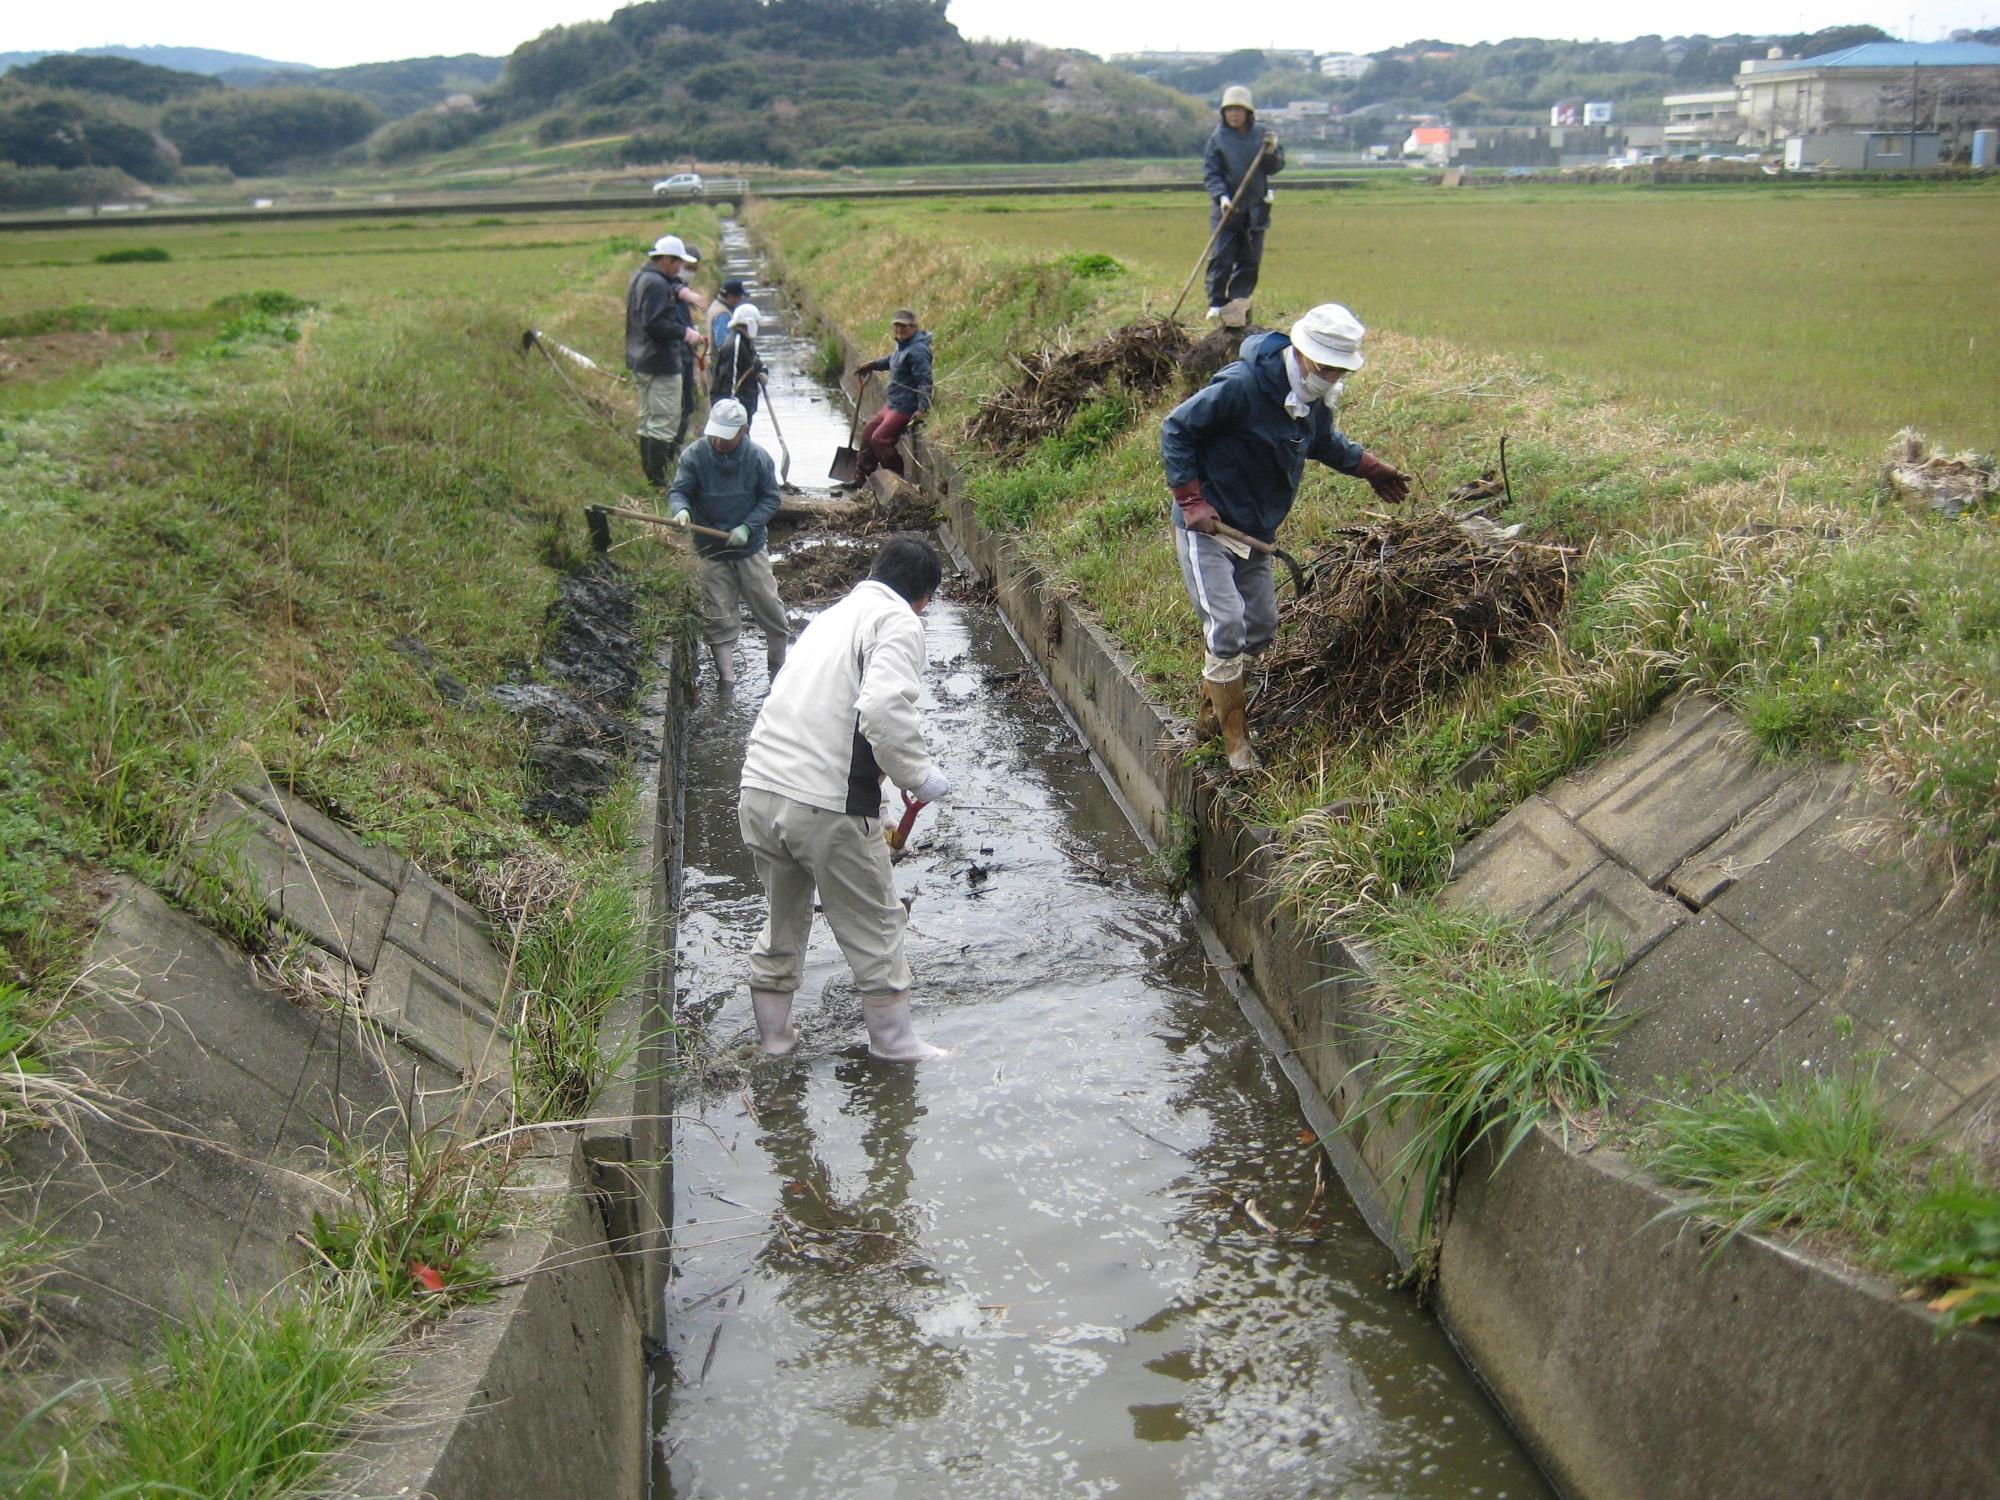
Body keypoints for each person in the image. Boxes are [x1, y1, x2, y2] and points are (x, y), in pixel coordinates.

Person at [1160, 303, 1411, 771]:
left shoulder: (1310, 401)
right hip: (1209, 529)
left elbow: (1325, 444)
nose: (1332, 379)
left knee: (1260, 628)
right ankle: (1236, 742)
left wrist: (1369, 467)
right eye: (1327, 369)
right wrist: (1192, 500)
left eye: (1339, 371)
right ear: (1302, 354)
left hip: (1255, 534)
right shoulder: (1243, 386)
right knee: (1227, 623)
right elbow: (1177, 429)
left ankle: (1209, 710)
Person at [737, 536, 951, 1063]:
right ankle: (895, 1046)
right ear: (923, 599)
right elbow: (881, 710)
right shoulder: (898, 620)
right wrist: (919, 775)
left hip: (761, 788)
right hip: (825, 804)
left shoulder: (831, 617)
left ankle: (775, 1044)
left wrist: (880, 794)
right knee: (878, 921)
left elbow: (825, 712)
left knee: (782, 919)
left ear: (876, 572)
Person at [668, 397, 790, 689]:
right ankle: (727, 679)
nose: (718, 443)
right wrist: (681, 509)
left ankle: (780, 671)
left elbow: (771, 498)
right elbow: (679, 491)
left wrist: (748, 526)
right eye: (714, 436)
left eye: (725, 437)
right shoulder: (695, 456)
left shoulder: (758, 458)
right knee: (717, 613)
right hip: (710, 549)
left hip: (749, 548)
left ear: (742, 432)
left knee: (769, 607)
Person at [624, 233, 707, 488]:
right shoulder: (657, 284)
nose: (681, 269)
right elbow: (655, 323)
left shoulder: (643, 277)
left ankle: (653, 477)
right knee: (664, 422)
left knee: (648, 421)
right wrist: (686, 332)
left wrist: (683, 292)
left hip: (641, 361)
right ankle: (659, 482)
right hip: (659, 363)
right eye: (679, 263)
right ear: (667, 260)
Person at [1202, 86, 1284, 320]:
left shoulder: (1262, 135)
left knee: (1250, 260)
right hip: (1227, 209)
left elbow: (1274, 167)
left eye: (1238, 109)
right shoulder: (1218, 138)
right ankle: (1217, 301)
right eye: (1229, 110)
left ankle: (1238, 302)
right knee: (1222, 257)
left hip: (1256, 208)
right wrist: (1221, 197)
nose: (1234, 114)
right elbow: (1211, 173)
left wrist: (1272, 151)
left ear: (1248, 112)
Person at [848, 309, 932, 486]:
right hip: (892, 404)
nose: (899, 330)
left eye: (903, 326)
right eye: (897, 326)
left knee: (880, 438)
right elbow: (892, 360)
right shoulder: (903, 345)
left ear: (914, 327)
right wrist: (872, 364)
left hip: (905, 406)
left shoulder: (918, 351)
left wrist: (922, 407)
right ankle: (860, 478)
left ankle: (898, 480)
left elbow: (925, 380)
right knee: (869, 432)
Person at [710, 302, 765, 431]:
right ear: (749, 323)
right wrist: (733, 414)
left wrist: (763, 371)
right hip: (735, 411)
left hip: (744, 407)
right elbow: (730, 381)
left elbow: (756, 361)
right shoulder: (735, 345)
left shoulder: (745, 341)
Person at [709, 278, 748, 348]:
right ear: (730, 296)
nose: (740, 299)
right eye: (739, 296)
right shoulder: (722, 314)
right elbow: (722, 343)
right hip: (722, 358)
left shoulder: (716, 304)